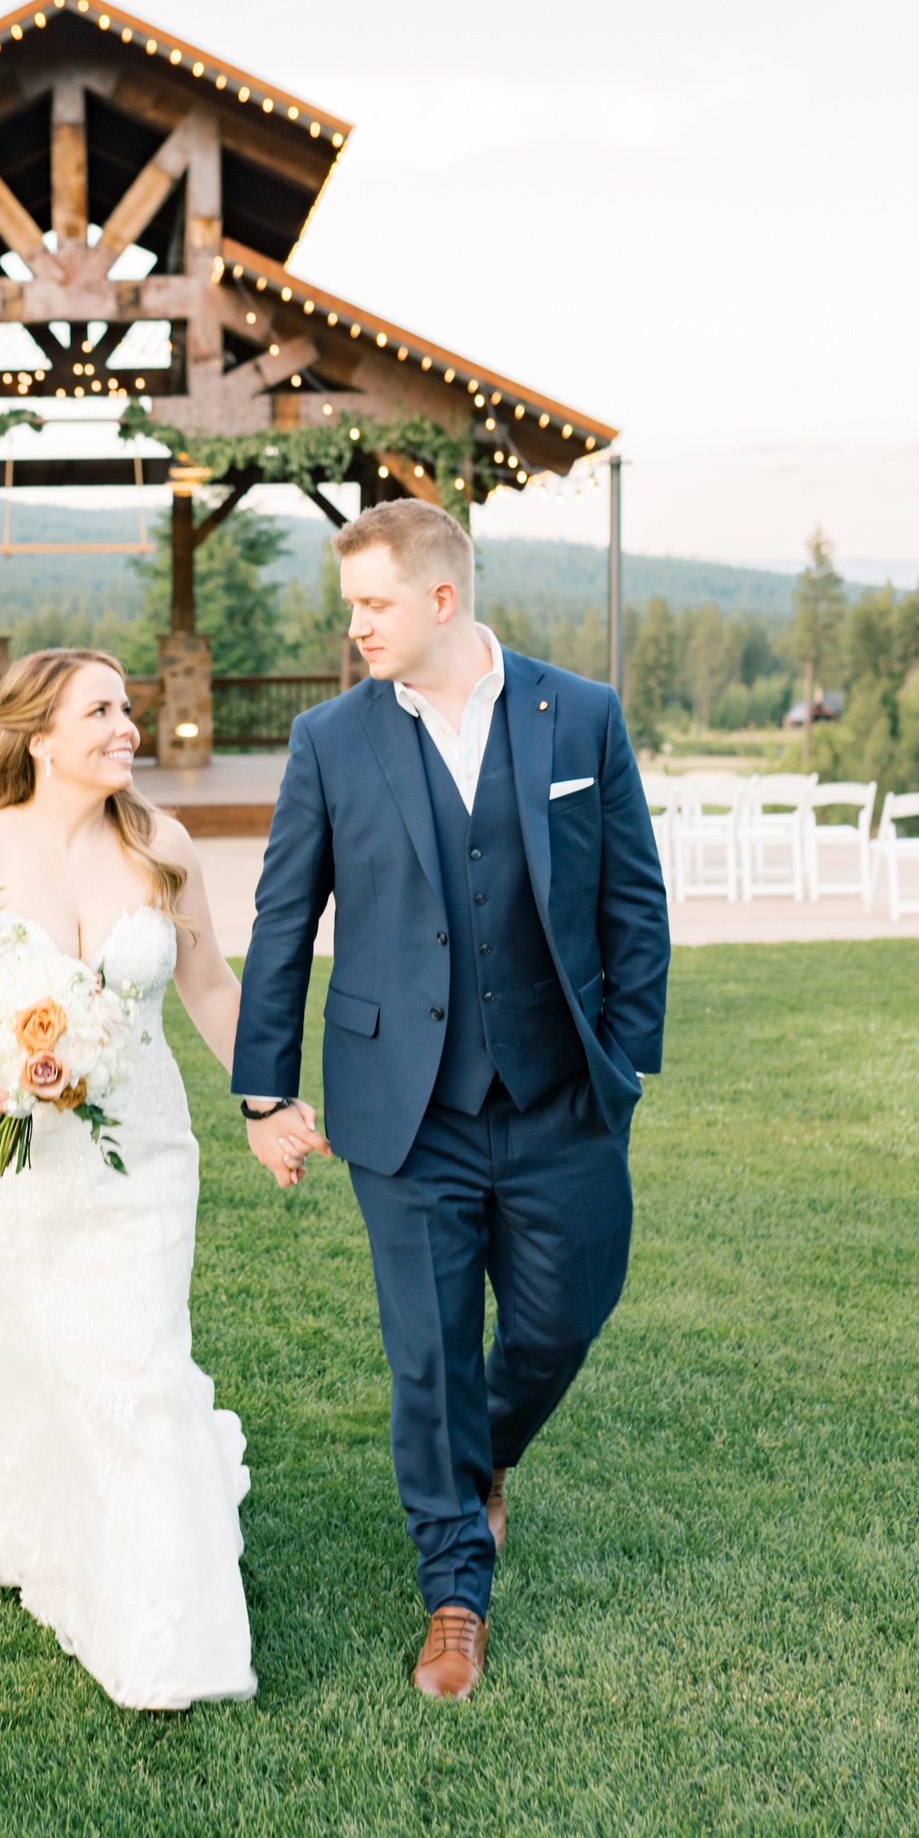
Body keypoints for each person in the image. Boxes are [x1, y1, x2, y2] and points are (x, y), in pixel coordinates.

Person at [233, 500, 670, 1701]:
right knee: (428, 1353)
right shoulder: (330, 738)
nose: (354, 627)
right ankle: (452, 1593)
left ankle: (476, 1462)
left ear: (439, 598)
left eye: (371, 604)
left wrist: (623, 1062)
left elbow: (632, 901)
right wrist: (263, 1090)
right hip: (401, 1106)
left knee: (562, 1313)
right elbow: (284, 917)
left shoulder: (576, 713)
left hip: (558, 1093)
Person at [0, 647, 292, 1711]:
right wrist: (0, 1062)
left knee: (137, 1360)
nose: (126, 726)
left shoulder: (160, 845)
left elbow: (205, 984)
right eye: (100, 710)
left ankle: (164, 1634)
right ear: (38, 734)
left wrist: (265, 1103)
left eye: (128, 708)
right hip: (9, 1146)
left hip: (142, 1151)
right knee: (36, 1340)